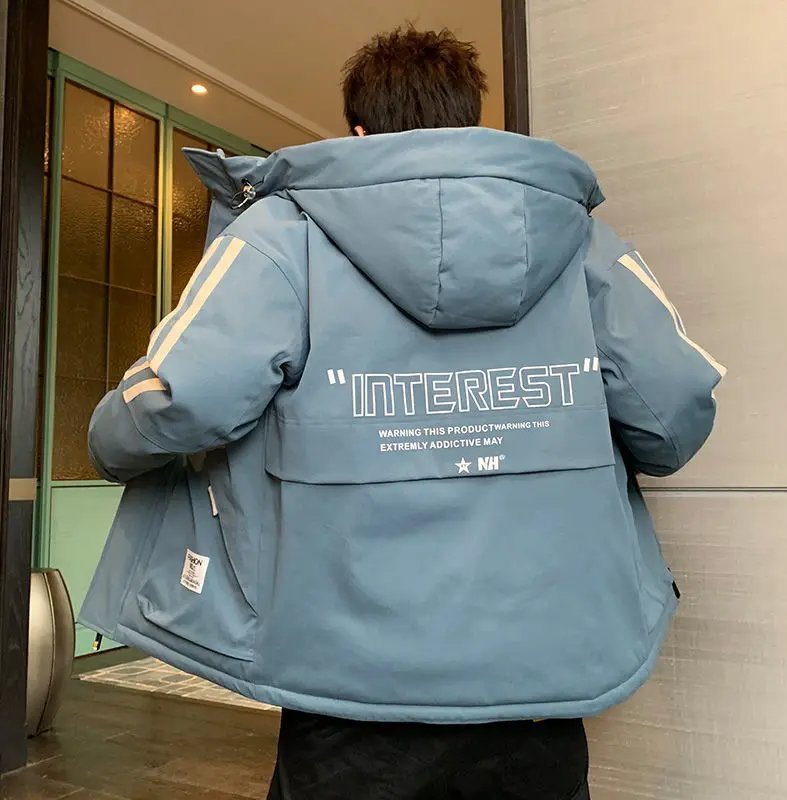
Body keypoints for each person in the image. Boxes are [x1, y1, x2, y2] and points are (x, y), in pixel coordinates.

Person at [79, 26, 725, 800]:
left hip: (346, 685)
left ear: (359, 132)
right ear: (471, 119)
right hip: (539, 686)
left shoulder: (282, 238)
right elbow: (674, 417)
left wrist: (107, 443)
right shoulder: (586, 245)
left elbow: (183, 398)